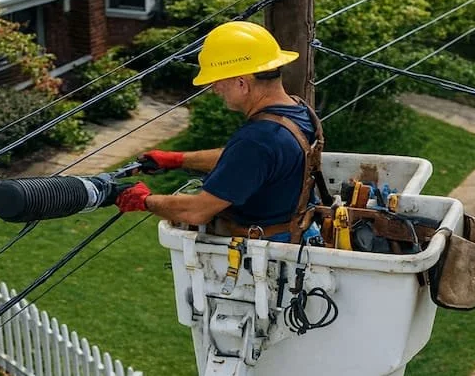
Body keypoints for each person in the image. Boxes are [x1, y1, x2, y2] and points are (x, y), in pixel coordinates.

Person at [114, 21, 324, 244]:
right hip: (300, 232)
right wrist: (176, 160)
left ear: (242, 83)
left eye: (217, 81)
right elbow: (243, 163)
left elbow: (196, 211)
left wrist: (145, 200)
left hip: (269, 254)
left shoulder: (258, 140)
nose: (214, 89)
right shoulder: (298, 112)